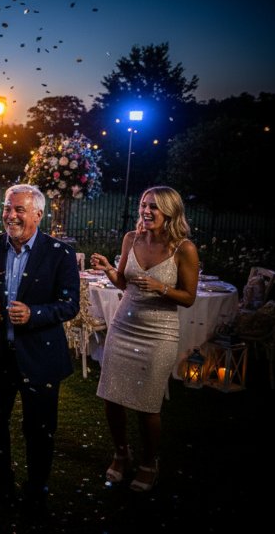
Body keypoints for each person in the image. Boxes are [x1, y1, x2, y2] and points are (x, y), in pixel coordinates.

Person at [0, 184, 79, 516]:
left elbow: (70, 304)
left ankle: (35, 492)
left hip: (40, 357)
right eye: (7, 208)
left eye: (19, 209)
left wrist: (36, 314)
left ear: (38, 215)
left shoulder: (60, 252)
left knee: (40, 430)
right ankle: (1, 484)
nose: (10, 215)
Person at [90, 186, 199, 493]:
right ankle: (121, 453)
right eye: (143, 205)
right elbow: (124, 282)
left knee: (148, 405)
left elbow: (189, 297)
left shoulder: (184, 248)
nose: (146, 211)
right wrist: (109, 269)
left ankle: (149, 462)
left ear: (170, 212)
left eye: (154, 207)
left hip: (159, 333)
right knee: (112, 397)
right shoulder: (131, 239)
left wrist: (160, 286)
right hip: (123, 327)